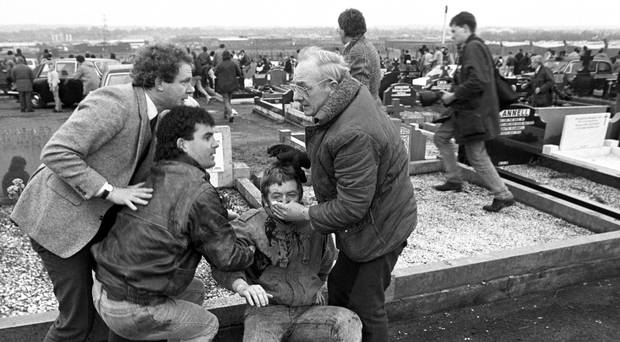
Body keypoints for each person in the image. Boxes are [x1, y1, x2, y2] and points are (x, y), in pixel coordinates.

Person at [10, 44, 195, 342]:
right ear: (160, 82)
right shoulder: (114, 102)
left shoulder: (159, 116)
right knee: (76, 322)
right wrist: (111, 191)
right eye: (185, 81)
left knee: (115, 308)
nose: (191, 87)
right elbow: (57, 152)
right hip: (60, 224)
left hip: (99, 226)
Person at [273, 47, 417, 342]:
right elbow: (339, 153)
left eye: (304, 87)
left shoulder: (354, 131)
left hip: (381, 229)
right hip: (373, 221)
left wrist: (304, 214)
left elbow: (352, 207)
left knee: (366, 303)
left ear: (331, 86)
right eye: (294, 85)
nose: (297, 96)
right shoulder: (346, 100)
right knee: (339, 287)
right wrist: (305, 157)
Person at [91, 106, 255, 341]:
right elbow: (226, 257)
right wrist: (251, 241)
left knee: (195, 289)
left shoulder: (158, 172)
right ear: (182, 144)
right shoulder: (198, 191)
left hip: (103, 290)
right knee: (206, 325)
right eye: (207, 137)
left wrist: (215, 218)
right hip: (130, 309)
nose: (216, 144)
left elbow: (174, 217)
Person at [213, 146, 362, 342]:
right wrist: (243, 287)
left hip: (309, 312)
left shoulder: (315, 224)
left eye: (291, 195)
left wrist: (315, 287)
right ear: (265, 200)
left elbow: (326, 262)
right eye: (276, 197)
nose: (284, 202)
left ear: (300, 195)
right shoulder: (249, 225)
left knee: (348, 322)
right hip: (265, 314)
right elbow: (222, 264)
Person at [435, 11, 515, 212]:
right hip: (465, 110)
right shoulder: (473, 46)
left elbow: (478, 81)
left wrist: (453, 95)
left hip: (473, 112)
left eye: (454, 31)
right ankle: (454, 179)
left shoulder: (473, 47)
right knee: (441, 137)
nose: (452, 35)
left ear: (465, 28)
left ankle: (503, 194)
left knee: (476, 154)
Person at [337, 8, 381, 100]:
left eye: (340, 27)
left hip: (362, 111)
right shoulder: (363, 45)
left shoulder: (358, 50)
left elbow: (359, 92)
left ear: (344, 30)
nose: (338, 30)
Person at [215, 50, 243, 122]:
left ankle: (230, 114)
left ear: (223, 56)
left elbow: (215, 73)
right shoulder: (233, 63)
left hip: (223, 85)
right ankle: (226, 113)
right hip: (232, 84)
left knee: (226, 100)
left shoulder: (220, 64)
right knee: (228, 99)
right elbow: (239, 73)